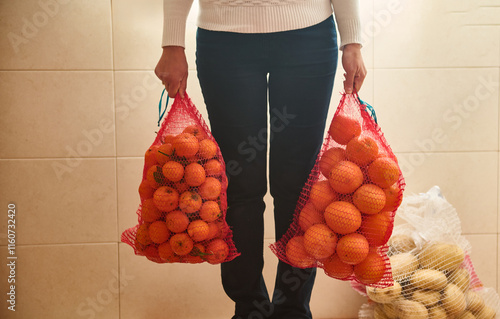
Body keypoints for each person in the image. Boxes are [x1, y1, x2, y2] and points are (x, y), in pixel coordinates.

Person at [155, 1, 366, 318]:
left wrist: (352, 39)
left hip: (308, 35)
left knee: (299, 186)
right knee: (238, 183)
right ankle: (248, 307)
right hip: (225, 37)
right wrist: (173, 43)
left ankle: (292, 310)